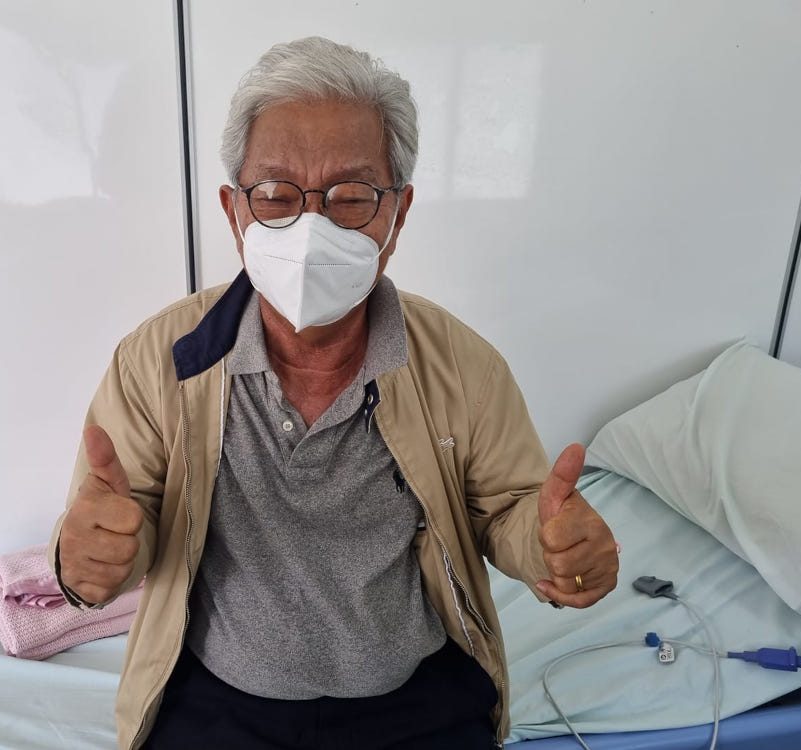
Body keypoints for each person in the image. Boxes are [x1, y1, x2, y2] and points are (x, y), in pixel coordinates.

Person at [48, 36, 619, 750]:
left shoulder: (462, 367)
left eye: (350, 196)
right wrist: (86, 559)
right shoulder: (161, 361)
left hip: (417, 695)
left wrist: (550, 550)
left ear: (398, 214)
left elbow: (506, 510)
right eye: (278, 195)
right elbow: (117, 525)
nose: (311, 228)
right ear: (234, 212)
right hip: (216, 698)